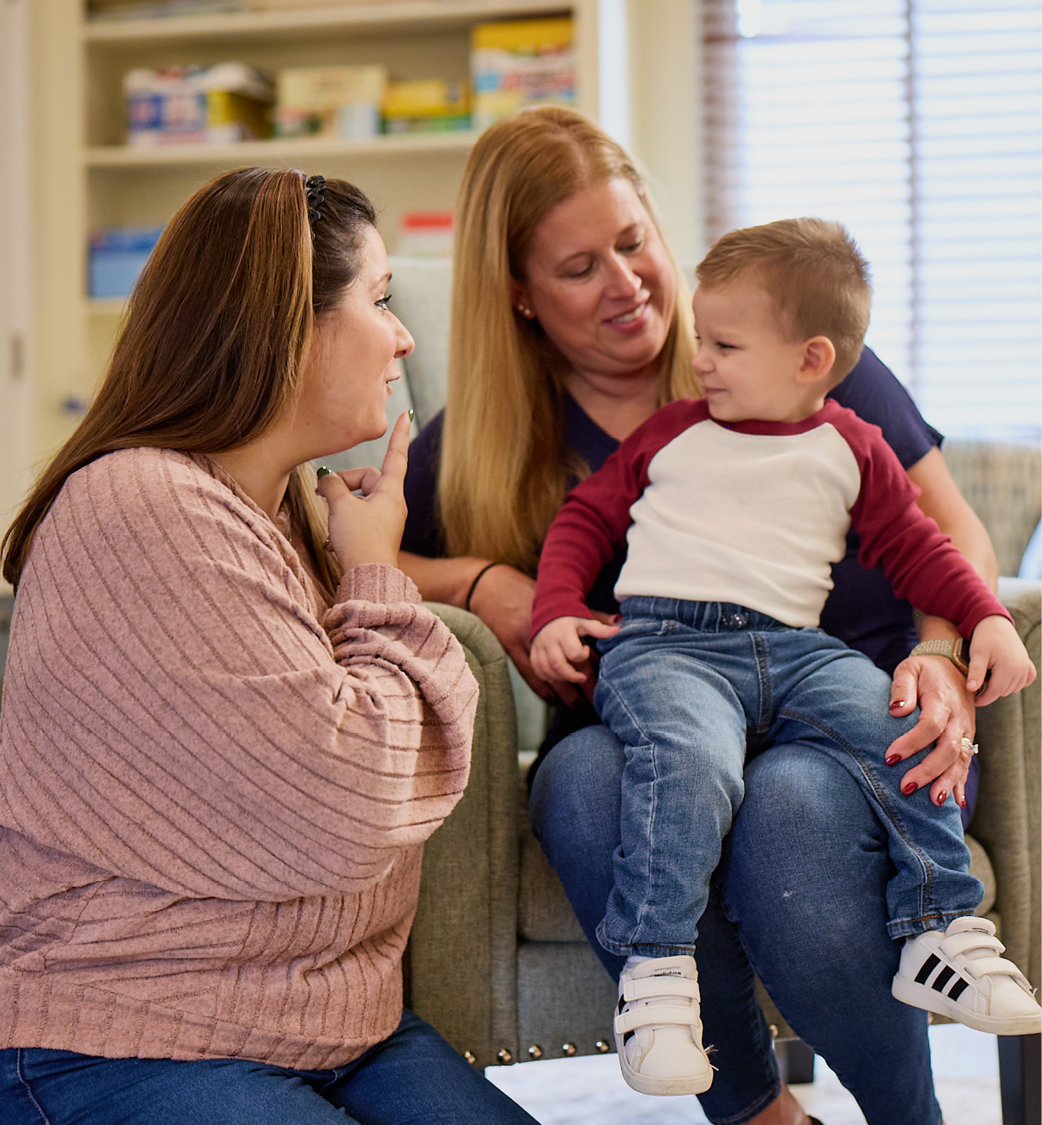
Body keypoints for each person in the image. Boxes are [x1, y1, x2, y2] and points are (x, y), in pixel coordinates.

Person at [400, 105, 1010, 1125]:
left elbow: (956, 539)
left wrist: (943, 652)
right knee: (589, 789)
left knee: (787, 811)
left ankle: (913, 1115)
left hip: (843, 698)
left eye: (633, 242)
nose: (626, 283)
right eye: (578, 266)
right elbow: (351, 566)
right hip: (647, 714)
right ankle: (761, 1119)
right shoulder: (478, 442)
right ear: (518, 295)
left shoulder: (795, 356)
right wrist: (481, 582)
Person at [0, 167, 539, 1125]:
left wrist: (372, 567)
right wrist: (378, 575)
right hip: (124, 1029)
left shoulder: (278, 513)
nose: (406, 336)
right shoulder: (143, 507)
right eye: (378, 300)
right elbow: (353, 800)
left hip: (327, 1023)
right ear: (289, 324)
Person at [529, 216, 1040, 1096]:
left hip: (796, 648)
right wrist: (555, 607)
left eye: (723, 344)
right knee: (686, 757)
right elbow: (585, 519)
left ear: (810, 359)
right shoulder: (674, 433)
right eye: (703, 340)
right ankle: (655, 970)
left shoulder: (854, 445)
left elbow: (923, 547)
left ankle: (941, 928)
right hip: (667, 642)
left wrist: (979, 619)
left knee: (899, 724)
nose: (701, 362)